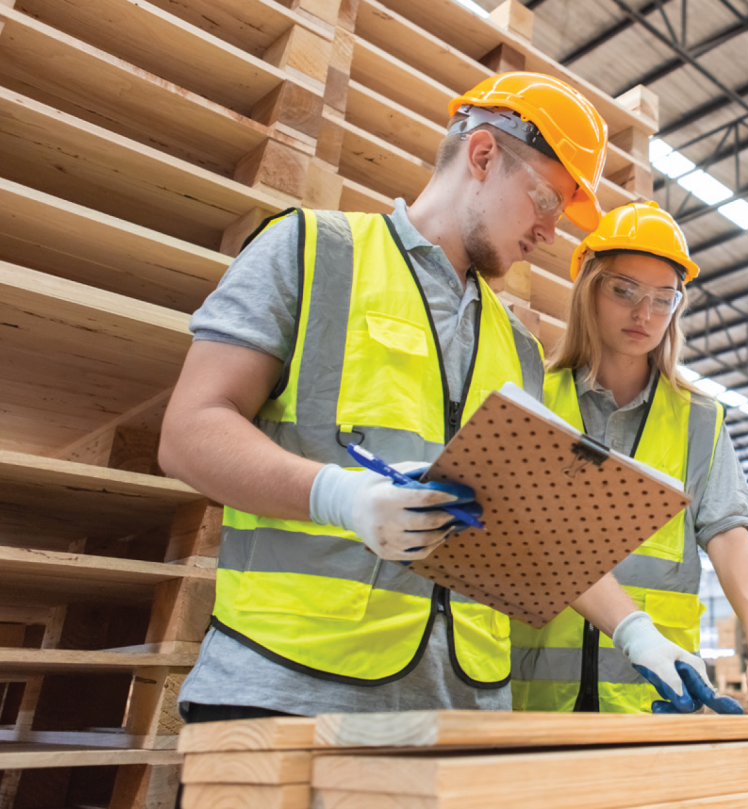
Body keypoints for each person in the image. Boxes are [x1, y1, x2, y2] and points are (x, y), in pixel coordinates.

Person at [157, 71, 610, 722]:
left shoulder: (519, 345)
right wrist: (341, 497)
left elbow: (522, 528)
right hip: (289, 691)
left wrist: (632, 631)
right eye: (546, 199)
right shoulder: (311, 250)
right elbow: (189, 431)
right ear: (482, 155)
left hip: (461, 707)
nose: (551, 231)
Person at [510, 201, 748, 715]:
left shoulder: (699, 420)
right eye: (624, 291)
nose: (644, 314)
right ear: (589, 287)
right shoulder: (533, 397)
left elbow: (728, 535)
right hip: (533, 698)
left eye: (664, 299)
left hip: (656, 698)